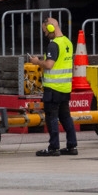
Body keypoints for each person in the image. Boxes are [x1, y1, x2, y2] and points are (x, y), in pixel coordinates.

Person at [27, 17, 77, 157]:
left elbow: (49, 65)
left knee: (51, 117)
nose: (45, 35)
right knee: (66, 117)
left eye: (45, 31)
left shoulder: (53, 45)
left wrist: (37, 62)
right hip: (65, 87)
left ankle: (54, 147)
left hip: (53, 88)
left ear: (51, 28)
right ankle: (72, 146)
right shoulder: (67, 42)